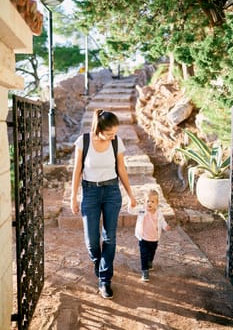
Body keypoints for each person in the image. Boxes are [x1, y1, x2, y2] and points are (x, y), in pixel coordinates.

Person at [71, 109, 137, 299]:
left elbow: (121, 169)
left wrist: (131, 194)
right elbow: (77, 170)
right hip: (90, 192)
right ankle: (98, 263)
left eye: (114, 134)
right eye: (109, 134)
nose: (112, 137)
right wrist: (73, 196)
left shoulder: (117, 142)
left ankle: (105, 280)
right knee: (91, 240)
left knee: (110, 238)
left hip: (111, 192)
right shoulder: (83, 141)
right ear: (98, 129)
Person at [129, 188, 170, 282]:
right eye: (148, 201)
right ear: (144, 202)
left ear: (157, 203)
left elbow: (162, 221)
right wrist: (131, 205)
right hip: (143, 238)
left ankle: (150, 261)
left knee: (152, 252)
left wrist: (165, 226)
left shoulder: (158, 213)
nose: (150, 203)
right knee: (144, 254)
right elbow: (131, 211)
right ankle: (145, 270)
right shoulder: (142, 211)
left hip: (154, 238)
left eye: (152, 201)